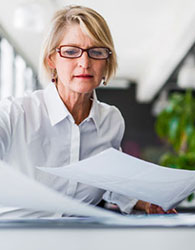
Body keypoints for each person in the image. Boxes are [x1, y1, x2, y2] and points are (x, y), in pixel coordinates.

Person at [0, 5, 176, 217]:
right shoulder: (15, 114)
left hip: (80, 238)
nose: (85, 63)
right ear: (52, 60)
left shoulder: (110, 121)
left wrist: (144, 201)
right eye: (71, 51)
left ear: (106, 61)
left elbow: (108, 179)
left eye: (96, 52)